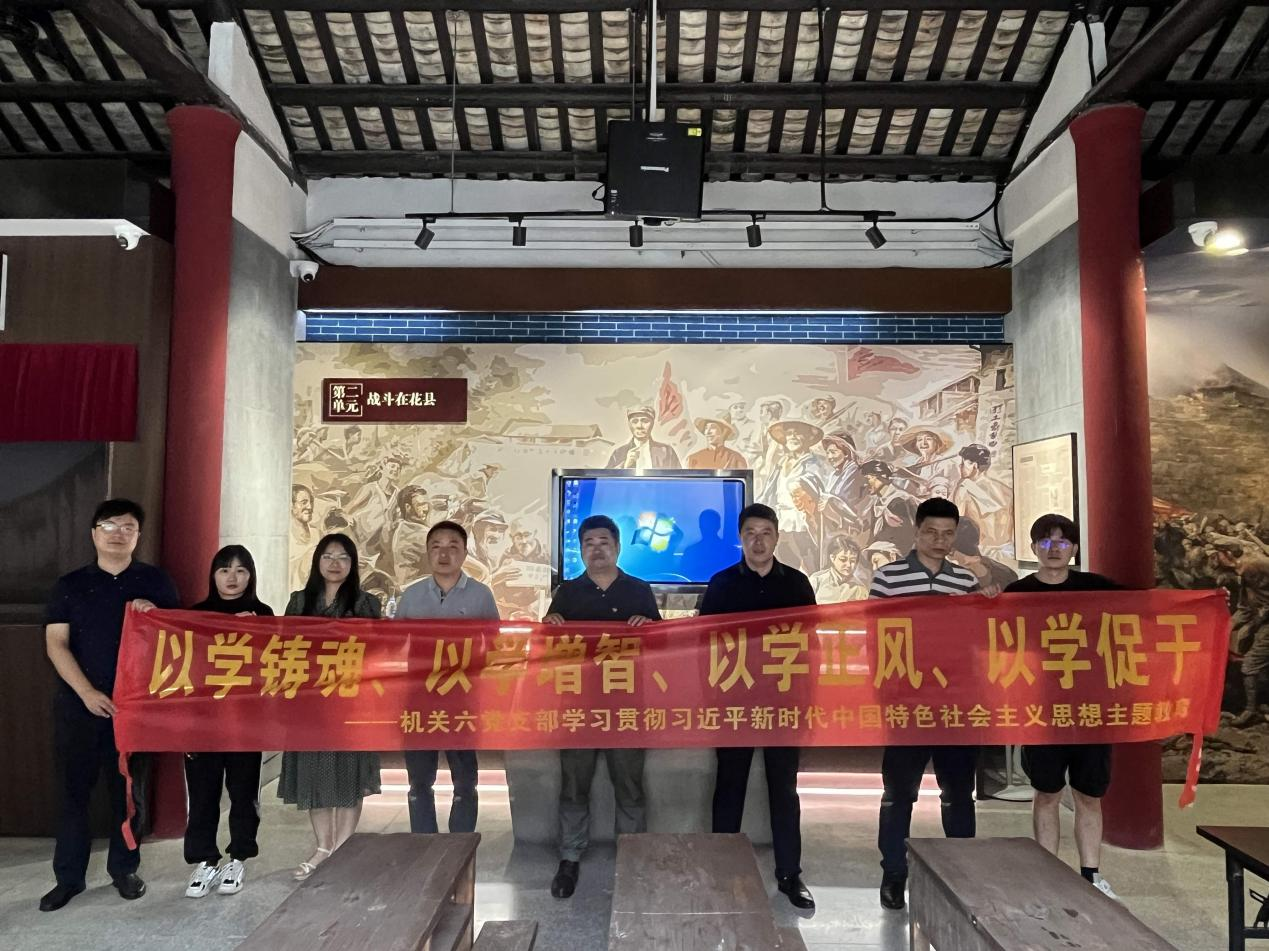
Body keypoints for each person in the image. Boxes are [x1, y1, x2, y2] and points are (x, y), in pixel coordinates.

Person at [40, 499, 179, 912]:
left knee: (129, 795)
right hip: (78, 708)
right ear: (94, 533)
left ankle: (125, 870)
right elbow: (56, 644)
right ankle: (68, 879)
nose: (118, 533)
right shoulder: (69, 585)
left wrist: (156, 616)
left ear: (138, 536)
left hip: (134, 710)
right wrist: (86, 692)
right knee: (73, 795)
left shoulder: (156, 583)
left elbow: (178, 644)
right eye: (110, 525)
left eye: (128, 527)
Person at [868, 497, 997, 911]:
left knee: (958, 792)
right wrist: (886, 694)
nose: (939, 540)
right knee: (898, 794)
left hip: (956, 703)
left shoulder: (964, 581)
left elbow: (977, 639)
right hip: (907, 703)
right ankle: (894, 873)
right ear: (917, 531)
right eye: (931, 532)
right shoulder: (888, 578)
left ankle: (960, 873)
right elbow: (876, 639)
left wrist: (987, 600)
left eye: (947, 534)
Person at [700, 503, 817, 910]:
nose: (758, 540)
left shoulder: (797, 584)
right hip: (734, 703)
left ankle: (789, 875)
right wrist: (710, 700)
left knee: (784, 790)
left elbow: (811, 647)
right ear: (740, 538)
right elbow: (703, 646)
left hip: (783, 703)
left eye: (765, 533)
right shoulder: (721, 584)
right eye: (750, 533)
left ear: (777, 537)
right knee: (729, 786)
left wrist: (807, 700)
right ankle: (722, 870)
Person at [543, 515, 660, 899]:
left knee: (629, 785)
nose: (597, 549)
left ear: (618, 547)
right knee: (574, 785)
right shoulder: (568, 592)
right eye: (589, 543)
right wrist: (549, 625)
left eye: (604, 542)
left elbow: (664, 647)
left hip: (626, 706)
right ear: (580, 550)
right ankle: (569, 857)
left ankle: (633, 856)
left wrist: (649, 628)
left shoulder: (639, 590)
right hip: (578, 705)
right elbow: (549, 649)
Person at [1006, 513, 1122, 899]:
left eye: (1061, 542)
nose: (1053, 549)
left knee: (1089, 795)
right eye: (1045, 542)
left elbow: (1150, 606)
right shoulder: (1017, 593)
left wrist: (1206, 602)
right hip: (1041, 711)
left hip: (1091, 710)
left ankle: (1091, 875)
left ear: (1073, 548)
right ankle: (1047, 875)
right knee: (1047, 793)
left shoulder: (1097, 588)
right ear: (1033, 547)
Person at [279, 533, 382, 881]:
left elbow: (377, 649)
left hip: (354, 704)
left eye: (343, 557)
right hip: (311, 706)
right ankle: (323, 848)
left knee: (350, 775)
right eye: (328, 556)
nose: (335, 563)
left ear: (353, 564)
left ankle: (344, 848)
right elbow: (284, 648)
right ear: (317, 562)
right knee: (315, 774)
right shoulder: (299, 601)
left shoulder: (366, 603)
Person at [397, 521, 500, 835]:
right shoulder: (411, 596)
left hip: (463, 700)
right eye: (436, 547)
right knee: (419, 781)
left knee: (465, 780)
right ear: (428, 553)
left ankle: (461, 843)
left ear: (465, 553)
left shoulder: (481, 596)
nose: (444, 554)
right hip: (419, 699)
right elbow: (396, 644)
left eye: (452, 546)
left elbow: (494, 644)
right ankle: (423, 843)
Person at [184, 545, 273, 899]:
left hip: (245, 723)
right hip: (202, 722)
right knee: (202, 794)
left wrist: (259, 633)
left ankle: (238, 857)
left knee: (243, 793)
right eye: (224, 570)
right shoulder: (195, 614)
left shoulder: (262, 614)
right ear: (213, 575)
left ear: (251, 575)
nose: (232, 578)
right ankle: (205, 860)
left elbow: (274, 666)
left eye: (240, 570)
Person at [605, 406, 682, 469]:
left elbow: (678, 479)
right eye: (635, 421)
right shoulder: (618, 453)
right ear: (629, 424)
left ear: (652, 423)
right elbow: (606, 480)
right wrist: (625, 466)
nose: (639, 426)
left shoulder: (667, 451)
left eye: (645, 421)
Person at [810, 536, 868, 603]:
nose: (848, 565)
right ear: (832, 558)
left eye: (852, 561)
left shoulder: (860, 589)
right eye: (843, 559)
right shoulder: (817, 581)